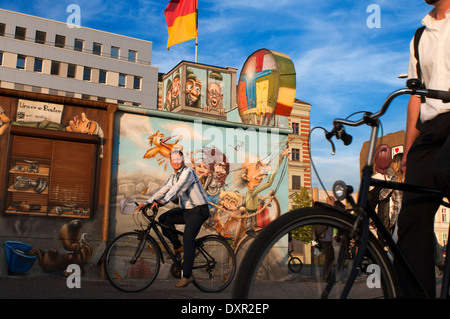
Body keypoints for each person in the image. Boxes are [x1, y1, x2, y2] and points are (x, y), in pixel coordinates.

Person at [396, 0, 450, 298]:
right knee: (411, 218)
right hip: (430, 128)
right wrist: (408, 151)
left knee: (445, 167)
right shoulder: (420, 36)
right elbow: (414, 96)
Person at [140, 150, 209, 288]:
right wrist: (148, 202)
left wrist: (162, 202)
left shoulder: (188, 172)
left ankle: (187, 276)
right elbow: (164, 188)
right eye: (173, 160)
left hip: (198, 210)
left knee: (188, 239)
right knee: (164, 218)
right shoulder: (174, 176)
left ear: (182, 160)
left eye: (179, 159)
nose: (176, 162)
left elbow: (177, 189)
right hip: (187, 210)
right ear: (171, 161)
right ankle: (178, 247)